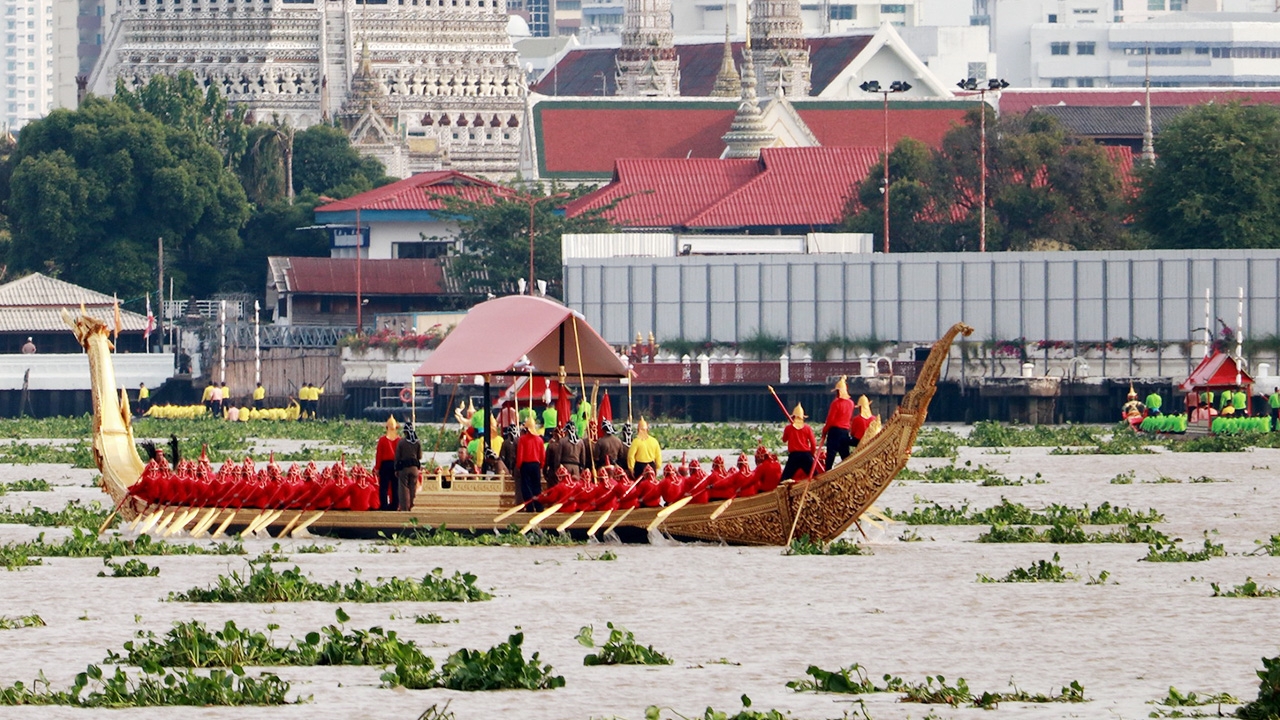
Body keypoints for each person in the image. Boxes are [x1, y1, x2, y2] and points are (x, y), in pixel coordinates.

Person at [821, 376, 855, 466]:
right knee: (845, 456)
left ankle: (827, 473)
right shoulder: (851, 403)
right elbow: (850, 418)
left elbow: (830, 419)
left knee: (831, 455)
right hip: (845, 432)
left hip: (835, 431)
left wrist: (825, 430)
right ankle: (849, 472)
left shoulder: (836, 403)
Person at [515, 417, 546, 509]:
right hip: (536, 465)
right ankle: (539, 506)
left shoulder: (523, 439)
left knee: (526, 487)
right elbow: (543, 455)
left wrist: (519, 465)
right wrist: (541, 465)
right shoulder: (540, 440)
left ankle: (529, 507)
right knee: (537, 486)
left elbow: (520, 454)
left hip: (525, 465)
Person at [780, 402, 816, 481]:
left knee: (784, 479)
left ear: (793, 417)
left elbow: (784, 440)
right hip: (806, 455)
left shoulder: (788, 428)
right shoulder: (807, 428)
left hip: (794, 456)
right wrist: (812, 453)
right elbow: (813, 443)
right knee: (815, 476)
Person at [394, 420, 422, 511]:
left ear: (405, 432)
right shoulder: (417, 442)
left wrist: (396, 468)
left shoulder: (401, 442)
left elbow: (397, 457)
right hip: (414, 469)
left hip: (404, 468)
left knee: (403, 489)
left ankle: (405, 508)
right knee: (413, 488)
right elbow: (420, 456)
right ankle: (413, 507)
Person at [375, 415, 400, 510]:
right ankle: (395, 505)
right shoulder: (399, 440)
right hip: (395, 464)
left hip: (385, 465)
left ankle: (384, 505)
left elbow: (379, 455)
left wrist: (377, 468)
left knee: (384, 487)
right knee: (395, 486)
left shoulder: (382, 440)